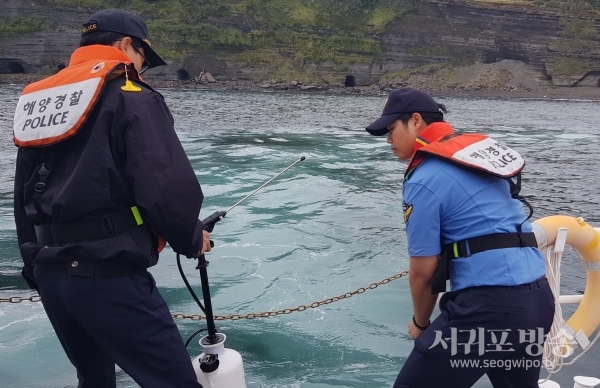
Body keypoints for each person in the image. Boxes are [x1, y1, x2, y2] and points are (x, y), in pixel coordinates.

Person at [13, 9, 210, 387]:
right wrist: (191, 238)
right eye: (142, 57)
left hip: (50, 272)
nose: (142, 68)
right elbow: (164, 187)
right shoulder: (130, 95)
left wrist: (32, 265)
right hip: (106, 275)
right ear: (124, 45)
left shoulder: (40, 99)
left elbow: (24, 190)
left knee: (94, 379)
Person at [365, 88, 555, 387]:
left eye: (391, 129)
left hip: (488, 310)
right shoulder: (473, 159)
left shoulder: (425, 178)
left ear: (415, 121)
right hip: (538, 301)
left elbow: (423, 273)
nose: (388, 140)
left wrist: (420, 324)